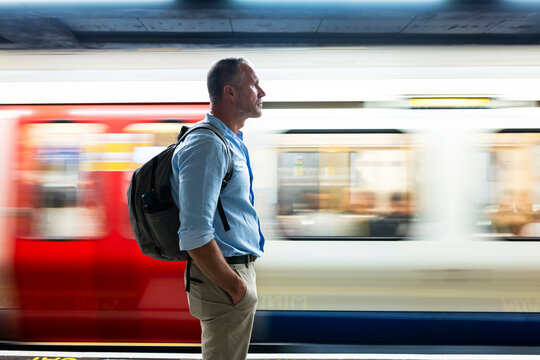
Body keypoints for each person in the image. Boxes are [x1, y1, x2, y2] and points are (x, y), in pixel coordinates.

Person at [169, 57, 266, 360]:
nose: (262, 92)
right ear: (231, 92)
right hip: (224, 278)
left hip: (232, 273)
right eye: (254, 84)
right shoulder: (207, 145)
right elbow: (194, 233)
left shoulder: (230, 141)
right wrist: (236, 287)